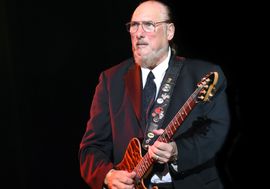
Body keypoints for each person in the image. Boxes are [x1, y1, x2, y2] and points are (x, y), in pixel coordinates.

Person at [79, 0, 230, 189]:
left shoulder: (203, 75)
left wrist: (177, 152)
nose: (139, 33)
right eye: (134, 26)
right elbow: (91, 147)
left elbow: (218, 131)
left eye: (149, 25)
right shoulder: (111, 80)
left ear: (169, 32)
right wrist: (108, 175)